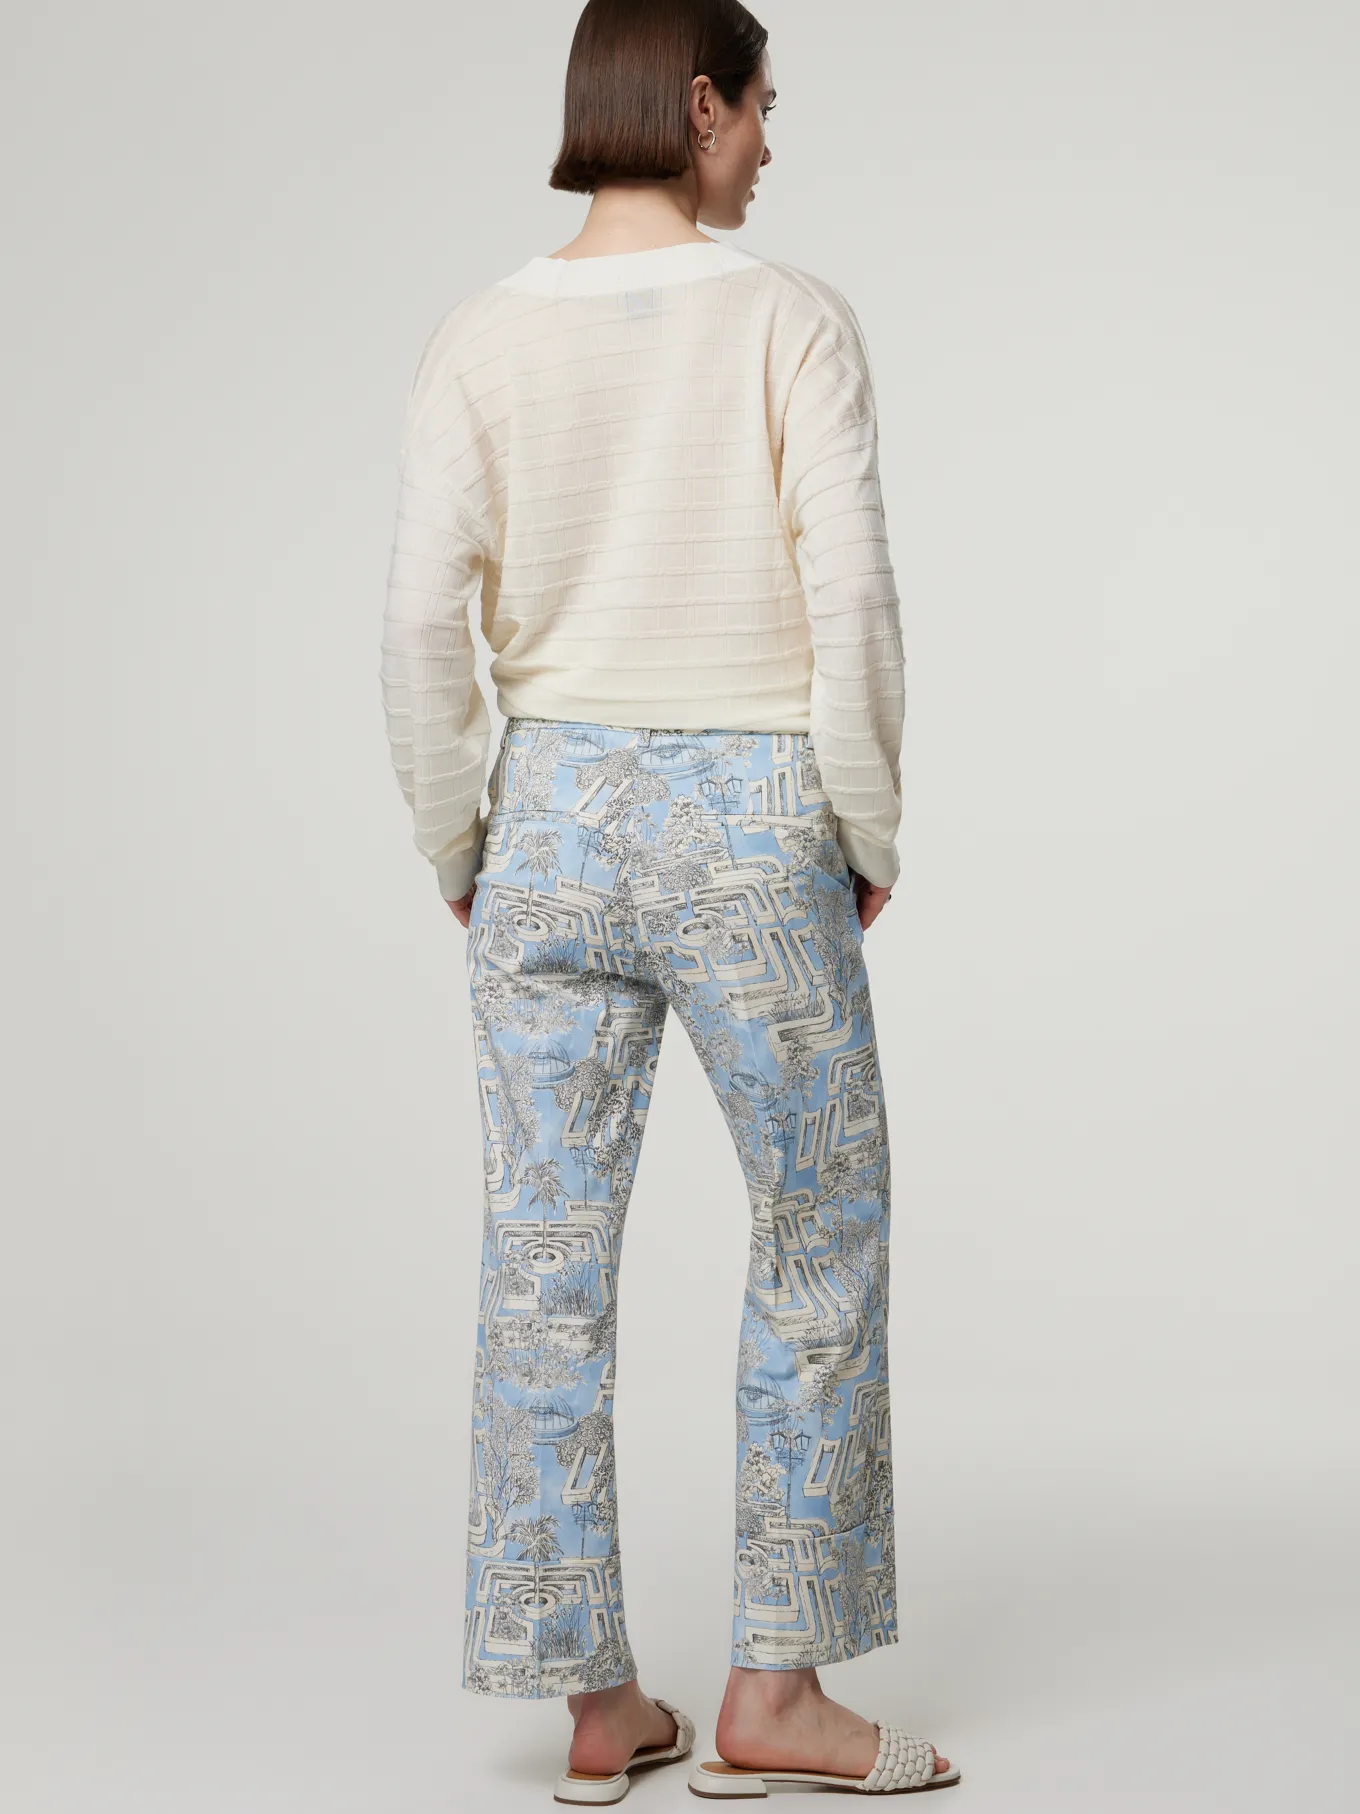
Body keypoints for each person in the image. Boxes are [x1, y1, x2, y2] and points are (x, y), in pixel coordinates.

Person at [380, 0, 958, 1800]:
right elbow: (850, 596)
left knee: (542, 1261)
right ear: (700, 105)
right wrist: (864, 826)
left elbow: (418, 623)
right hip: (750, 810)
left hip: (550, 812)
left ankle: (591, 1704)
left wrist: (462, 842)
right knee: (820, 1229)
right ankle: (774, 1691)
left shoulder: (478, 336)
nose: (773, 143)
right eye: (764, 106)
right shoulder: (789, 318)